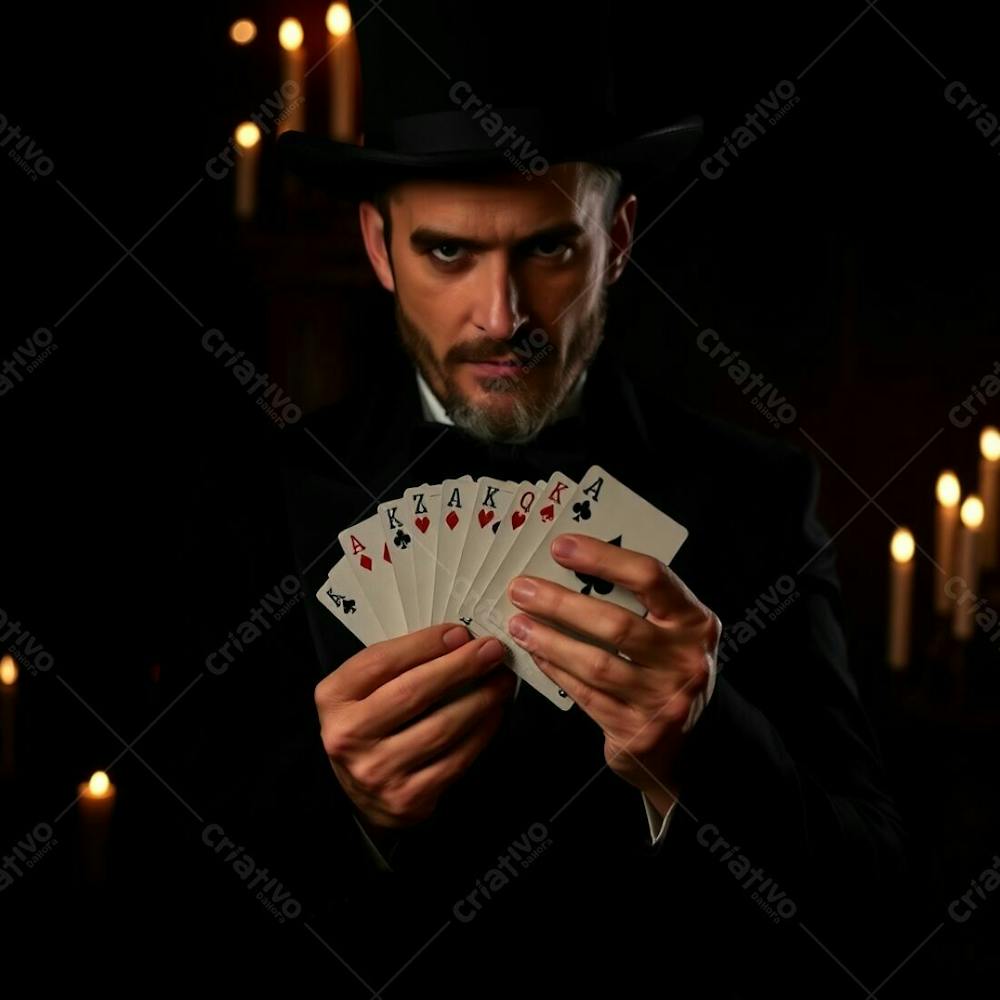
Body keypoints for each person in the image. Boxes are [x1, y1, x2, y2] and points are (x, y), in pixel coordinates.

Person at [170, 1, 915, 995]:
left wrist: (706, 741)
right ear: (380, 249)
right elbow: (155, 912)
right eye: (447, 253)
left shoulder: (756, 499)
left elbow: (881, 910)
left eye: (549, 250)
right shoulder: (252, 501)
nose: (501, 317)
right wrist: (341, 806)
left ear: (619, 240)